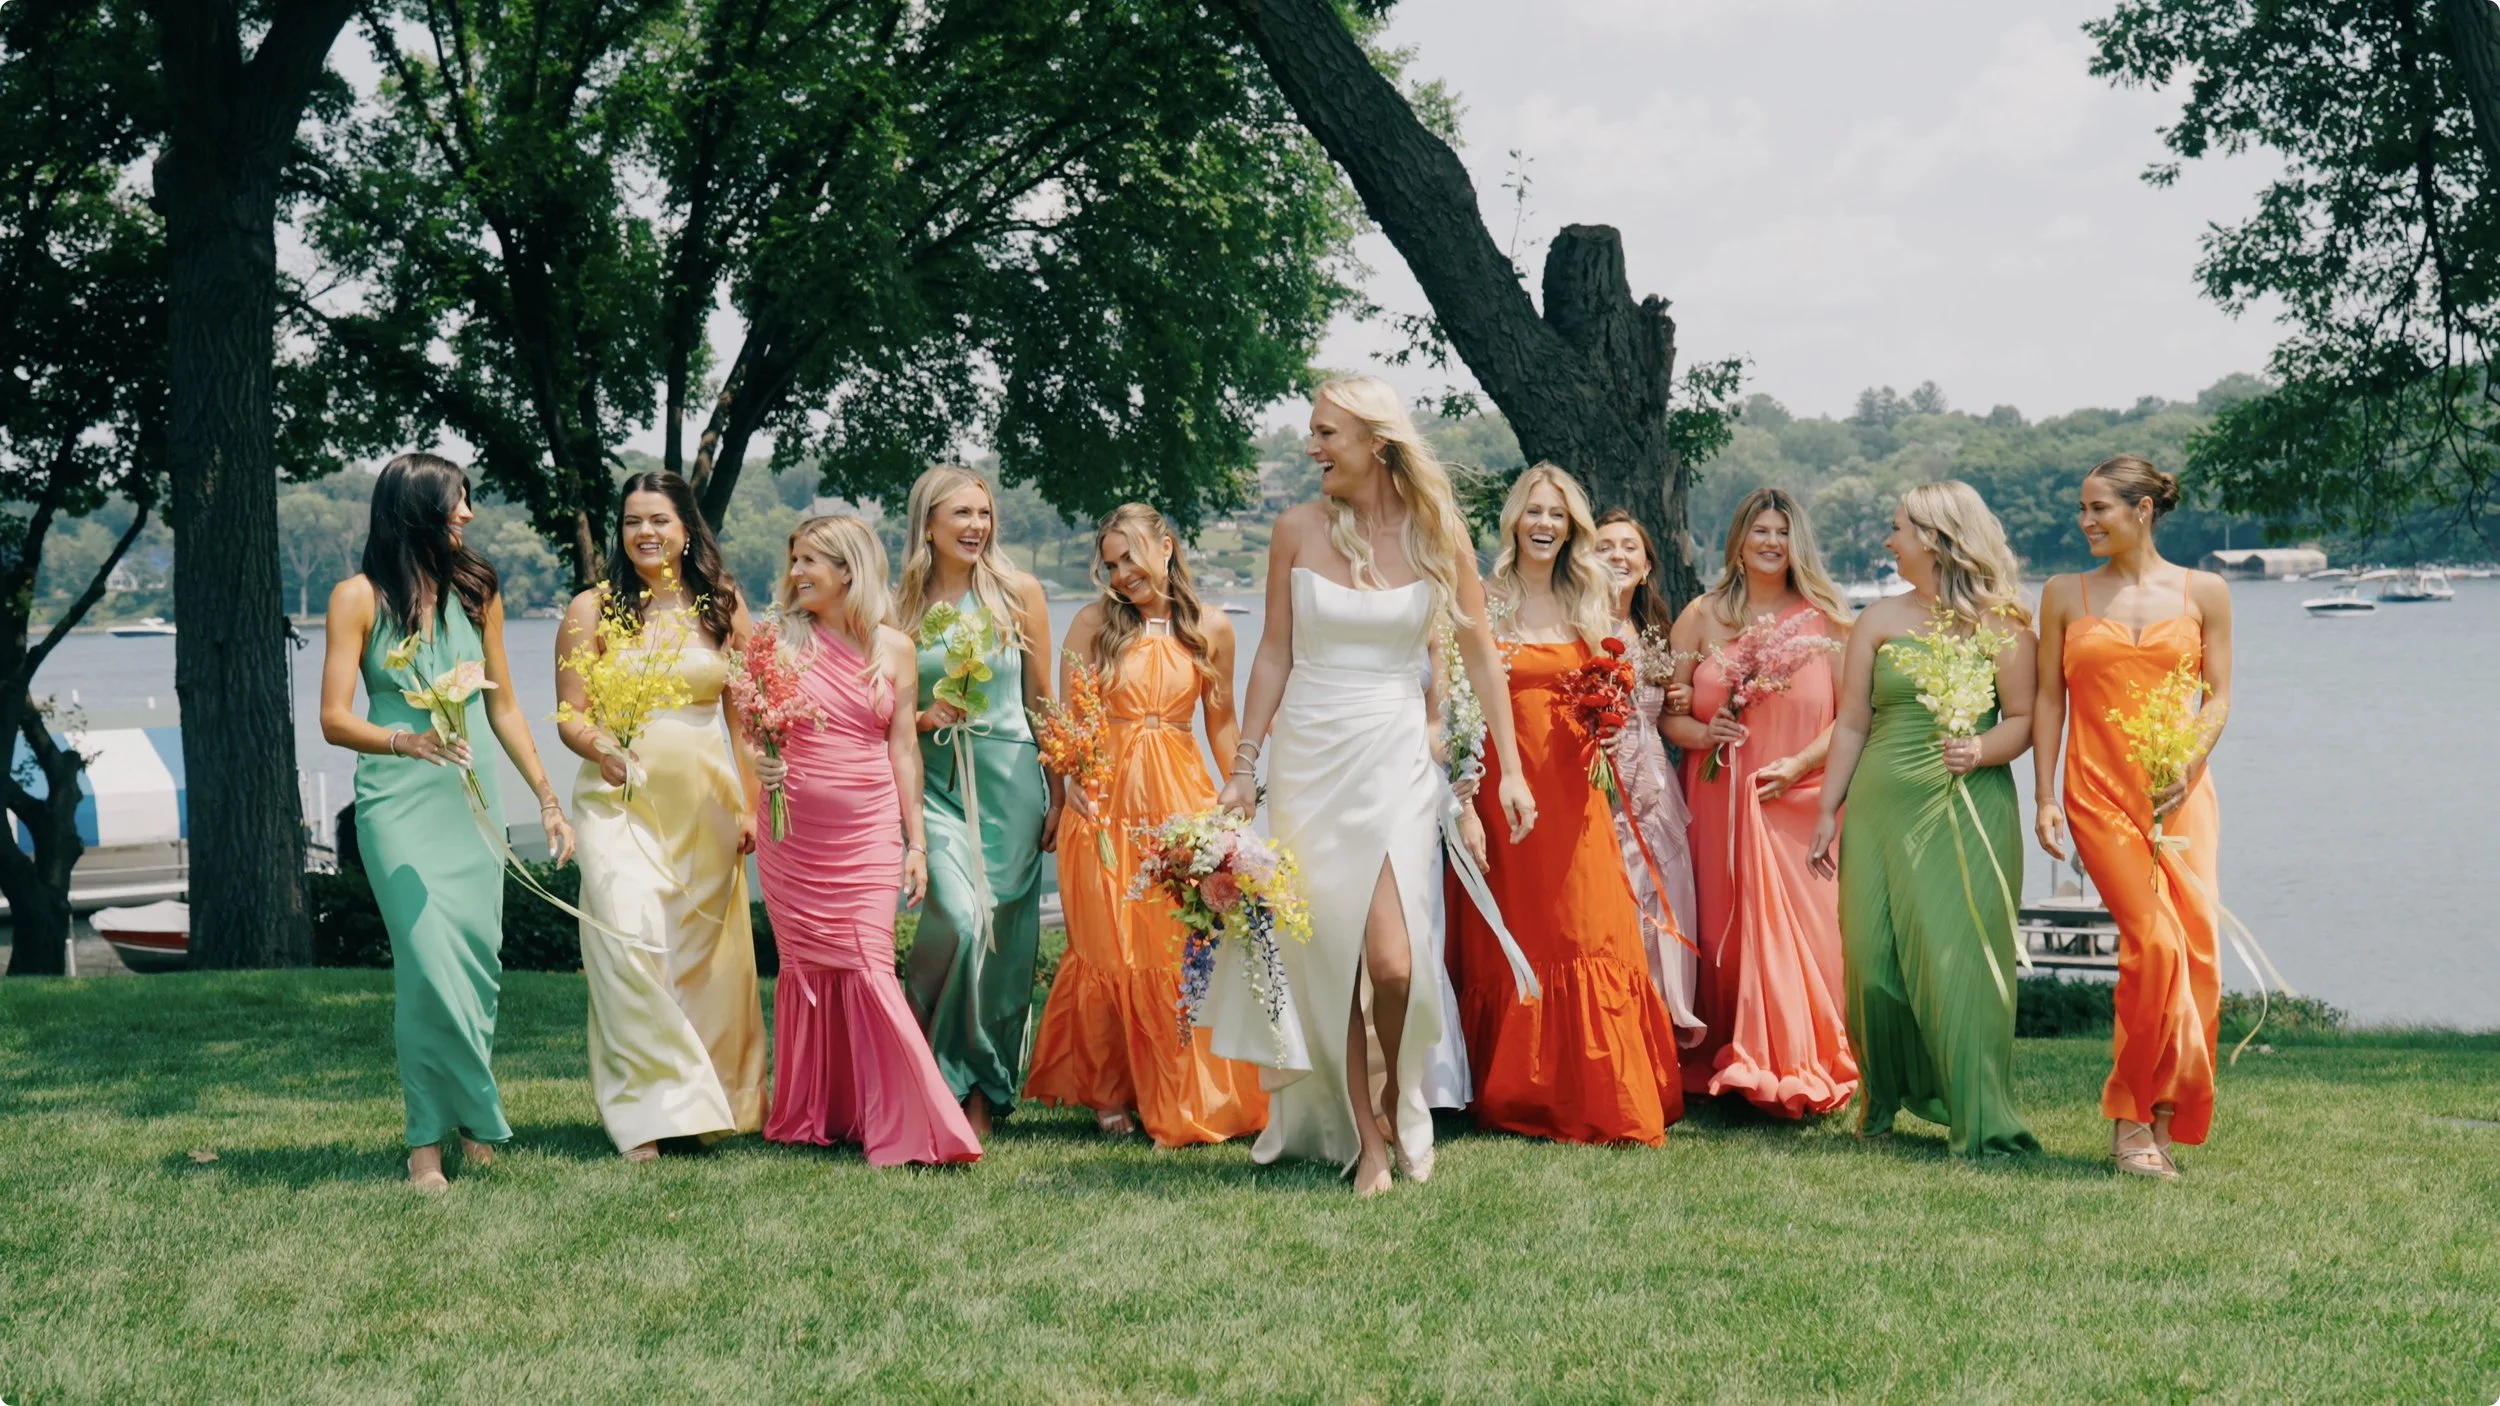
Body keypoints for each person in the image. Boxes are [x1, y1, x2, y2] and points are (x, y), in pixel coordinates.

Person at [1215, 375, 1533, 1196]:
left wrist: (1510, 774)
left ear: (1376, 444)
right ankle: (1370, 1137)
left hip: (1394, 752)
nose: (1313, 447)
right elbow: (1275, 654)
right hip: (1310, 755)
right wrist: (1245, 765)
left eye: (1328, 434)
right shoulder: (1295, 529)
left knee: (1392, 963)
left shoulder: (1439, 534)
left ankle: (1395, 1098)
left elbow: (1478, 658)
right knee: (1331, 958)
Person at [318, 452, 576, 1190]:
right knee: (428, 967)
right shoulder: (356, 598)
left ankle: (474, 1127)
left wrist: (546, 799)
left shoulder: (478, 591)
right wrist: (408, 740)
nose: (467, 515)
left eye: (468, 501)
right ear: (416, 511)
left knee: (474, 967)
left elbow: (503, 707)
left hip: (473, 796)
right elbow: (335, 719)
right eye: (455, 502)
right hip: (400, 798)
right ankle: (425, 1143)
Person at [1025, 504, 1269, 1147]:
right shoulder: (1091, 623)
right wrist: (1067, 780)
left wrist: (1238, 788)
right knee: (1107, 949)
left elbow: (1220, 720)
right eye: (1109, 563)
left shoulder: (1212, 628)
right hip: (1100, 808)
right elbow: (1063, 719)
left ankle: (1182, 1092)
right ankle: (1109, 1094)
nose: (1121, 573)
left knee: (1175, 950)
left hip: (1180, 806)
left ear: (1167, 546)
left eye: (1130, 556)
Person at [1811, 482, 2042, 1158]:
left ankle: (1978, 1112)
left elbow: (2024, 720)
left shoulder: (2005, 625)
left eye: (1898, 529)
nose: (1889, 541)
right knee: (1873, 963)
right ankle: (1886, 1091)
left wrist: (1981, 747)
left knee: (1958, 963)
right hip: (1881, 806)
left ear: (1936, 539)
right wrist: (1828, 807)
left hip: (1967, 804)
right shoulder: (1877, 620)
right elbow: (1852, 720)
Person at [1454, 465, 1682, 1145]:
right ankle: (1513, 1088)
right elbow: (1461, 701)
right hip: (1505, 780)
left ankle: (1602, 1089)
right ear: (1514, 521)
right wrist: (1470, 788)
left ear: (1572, 526)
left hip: (1575, 782)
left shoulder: (1588, 599)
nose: (1545, 524)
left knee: (1588, 925)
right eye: (1534, 512)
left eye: (1557, 514)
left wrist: (1609, 717)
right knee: (1520, 927)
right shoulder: (1484, 600)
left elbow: (1612, 687)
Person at [553, 471, 767, 1161]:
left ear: (686, 528)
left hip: (707, 803)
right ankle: (645, 1110)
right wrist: (603, 748)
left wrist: (755, 806)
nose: (645, 533)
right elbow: (570, 718)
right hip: (619, 802)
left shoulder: (723, 606)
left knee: (702, 957)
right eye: (631, 521)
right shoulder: (592, 608)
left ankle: (705, 1107)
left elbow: (750, 720)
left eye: (659, 520)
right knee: (628, 938)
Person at [753, 515, 980, 1166]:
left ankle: (915, 1120)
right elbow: (753, 729)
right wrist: (761, 762)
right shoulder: (775, 641)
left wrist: (916, 843)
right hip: (792, 831)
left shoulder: (896, 649)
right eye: (793, 560)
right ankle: (819, 1113)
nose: (796, 574)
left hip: (869, 828)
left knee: (869, 963)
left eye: (810, 563)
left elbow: (904, 748)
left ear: (849, 571)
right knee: (808, 972)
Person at [2033, 455, 2235, 1179]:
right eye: (2083, 510)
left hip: (2181, 793)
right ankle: (2129, 1122)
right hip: (2097, 793)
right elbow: (2050, 702)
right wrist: (2045, 796)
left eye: (2099, 509)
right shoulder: (2064, 593)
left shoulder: (2204, 591)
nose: (2086, 522)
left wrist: (2189, 760)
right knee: (2154, 943)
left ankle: (2169, 1114)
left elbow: (2217, 695)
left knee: (2197, 952)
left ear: (2143, 510)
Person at [1664, 487, 1857, 1118]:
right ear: (1739, 541)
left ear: (1797, 543)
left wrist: (1799, 765)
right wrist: (1704, 732)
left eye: (1783, 532)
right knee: (1721, 925)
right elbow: (1669, 713)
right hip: (1718, 797)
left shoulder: (1827, 619)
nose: (1771, 543)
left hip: (1794, 799)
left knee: (1811, 935)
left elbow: (1855, 716)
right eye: (1760, 532)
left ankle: (1796, 1059)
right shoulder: (1701, 615)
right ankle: (1724, 1049)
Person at [895, 464, 1059, 1138]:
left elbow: (1043, 700)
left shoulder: (1018, 593)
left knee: (1003, 941)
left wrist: (1063, 791)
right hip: (935, 783)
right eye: (960, 514)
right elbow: (885, 713)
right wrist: (926, 720)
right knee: (959, 922)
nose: (975, 527)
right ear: (928, 524)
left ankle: (983, 1091)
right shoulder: (897, 607)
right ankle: (925, 1071)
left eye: (983, 514)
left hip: (1012, 781)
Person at [1592, 507, 1704, 1045]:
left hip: (1655, 780)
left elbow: (1658, 703)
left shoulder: (1652, 627)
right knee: (1617, 894)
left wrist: (1674, 694)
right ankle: (1622, 1031)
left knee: (1666, 891)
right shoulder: (1579, 625)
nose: (1618, 555)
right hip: (1603, 779)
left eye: (1628, 547)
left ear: (1646, 564)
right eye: (1605, 546)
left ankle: (1665, 1022)